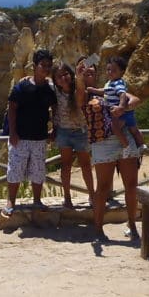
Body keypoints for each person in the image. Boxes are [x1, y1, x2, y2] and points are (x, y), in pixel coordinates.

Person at [77, 58, 142, 239]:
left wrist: (122, 108)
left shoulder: (113, 87)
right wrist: (79, 78)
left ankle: (132, 226)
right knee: (103, 188)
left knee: (131, 185)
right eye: (84, 72)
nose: (88, 74)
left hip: (123, 137)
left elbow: (135, 99)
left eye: (91, 72)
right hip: (103, 142)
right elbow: (80, 97)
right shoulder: (85, 93)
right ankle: (98, 229)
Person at [5, 48, 55, 215]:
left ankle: (37, 200)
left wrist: (54, 129)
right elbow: (12, 109)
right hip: (20, 137)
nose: (46, 68)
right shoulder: (22, 86)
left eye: (49, 65)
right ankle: (10, 201)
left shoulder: (49, 89)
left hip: (39, 138)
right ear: (34, 66)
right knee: (15, 170)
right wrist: (12, 133)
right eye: (43, 65)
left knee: (38, 171)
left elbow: (55, 109)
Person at [50, 59, 94, 211]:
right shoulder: (55, 91)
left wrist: (80, 72)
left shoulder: (79, 88)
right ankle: (67, 198)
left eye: (66, 74)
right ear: (55, 80)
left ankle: (92, 195)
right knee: (66, 166)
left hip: (81, 132)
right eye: (59, 76)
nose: (63, 78)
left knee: (86, 165)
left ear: (71, 74)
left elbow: (80, 97)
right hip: (63, 132)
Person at [90, 54, 142, 152]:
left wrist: (121, 107)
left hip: (119, 112)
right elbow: (104, 91)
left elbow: (122, 94)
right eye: (108, 70)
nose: (110, 72)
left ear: (122, 72)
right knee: (134, 130)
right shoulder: (110, 83)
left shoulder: (117, 83)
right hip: (125, 112)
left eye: (113, 70)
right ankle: (141, 146)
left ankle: (126, 147)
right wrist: (94, 90)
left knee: (115, 128)